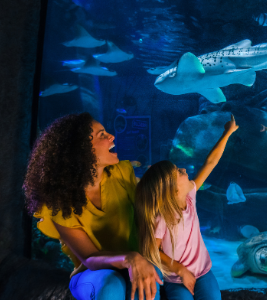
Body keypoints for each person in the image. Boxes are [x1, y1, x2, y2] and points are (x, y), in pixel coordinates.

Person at [23, 112, 163, 300]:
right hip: (92, 273)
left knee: (150, 278)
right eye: (101, 135)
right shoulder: (60, 202)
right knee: (111, 285)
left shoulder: (122, 173)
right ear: (81, 151)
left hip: (135, 264)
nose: (111, 136)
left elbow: (151, 219)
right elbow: (90, 258)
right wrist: (129, 258)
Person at [134, 114, 238, 300]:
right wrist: (180, 270)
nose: (183, 170)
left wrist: (227, 133)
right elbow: (152, 251)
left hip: (203, 272)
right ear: (172, 191)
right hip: (175, 278)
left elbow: (211, 162)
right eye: (178, 172)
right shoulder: (162, 217)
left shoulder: (189, 194)